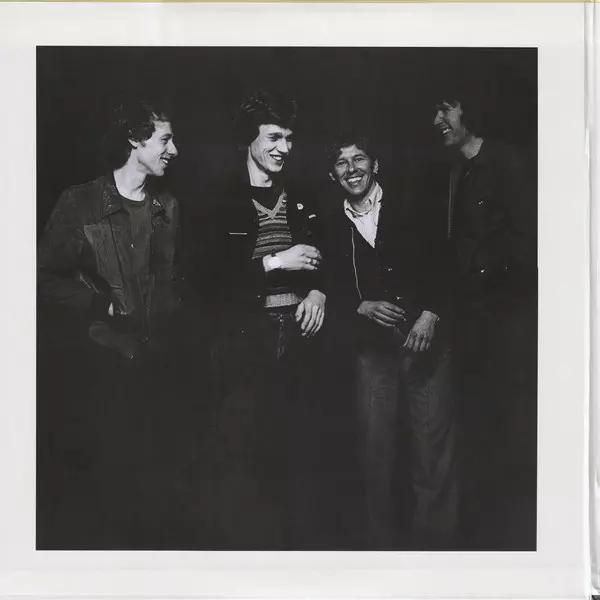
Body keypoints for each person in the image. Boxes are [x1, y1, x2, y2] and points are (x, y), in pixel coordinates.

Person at [37, 99, 182, 548]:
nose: (174, 150)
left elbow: (171, 282)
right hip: (100, 368)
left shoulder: (168, 206)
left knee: (156, 490)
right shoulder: (80, 201)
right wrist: (101, 306)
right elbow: (41, 276)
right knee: (105, 492)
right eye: (165, 140)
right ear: (134, 140)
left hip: (158, 367)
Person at [201, 89, 326, 549]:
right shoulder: (218, 197)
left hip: (301, 341)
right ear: (248, 139)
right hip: (243, 343)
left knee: (300, 455)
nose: (284, 147)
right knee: (241, 456)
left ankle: (299, 560)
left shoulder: (304, 193)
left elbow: (329, 257)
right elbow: (209, 283)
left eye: (289, 138)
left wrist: (319, 292)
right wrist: (276, 262)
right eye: (274, 137)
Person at [322, 132, 457, 550]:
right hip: (372, 354)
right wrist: (358, 307)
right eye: (342, 163)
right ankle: (377, 555)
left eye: (359, 159)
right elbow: (326, 284)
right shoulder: (329, 224)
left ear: (375, 165)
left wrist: (430, 315)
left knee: (431, 454)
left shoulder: (412, 207)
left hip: (427, 345)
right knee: (373, 454)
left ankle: (435, 553)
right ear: (333, 175)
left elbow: (448, 262)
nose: (352, 169)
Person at [432, 96, 537, 548]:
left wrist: (490, 276)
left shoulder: (510, 162)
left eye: (446, 109)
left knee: (509, 426)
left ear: (470, 109)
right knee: (474, 427)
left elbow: (533, 241)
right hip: (469, 326)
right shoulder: (456, 170)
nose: (437, 120)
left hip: (508, 324)